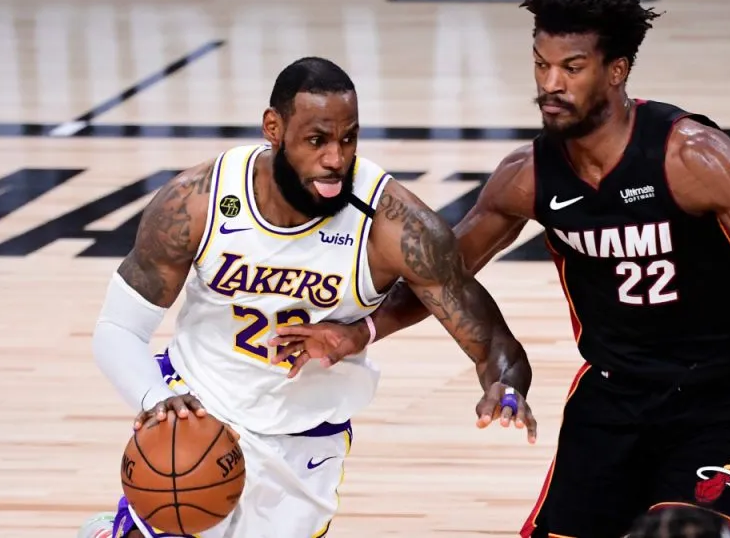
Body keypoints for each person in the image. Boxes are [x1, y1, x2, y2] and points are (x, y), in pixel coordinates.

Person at [266, 0, 730, 537]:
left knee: (686, 533)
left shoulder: (688, 156)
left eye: (572, 68)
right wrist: (359, 332)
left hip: (721, 396)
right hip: (613, 395)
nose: (551, 83)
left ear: (616, 71)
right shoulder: (528, 175)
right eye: (542, 65)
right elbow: (441, 275)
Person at [75, 56, 536, 538]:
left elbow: (494, 345)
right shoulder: (198, 199)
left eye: (348, 138)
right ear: (273, 128)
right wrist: (156, 399)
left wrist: (506, 387)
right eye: (317, 140)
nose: (336, 158)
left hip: (305, 438)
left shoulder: (394, 224)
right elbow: (118, 328)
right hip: (200, 410)